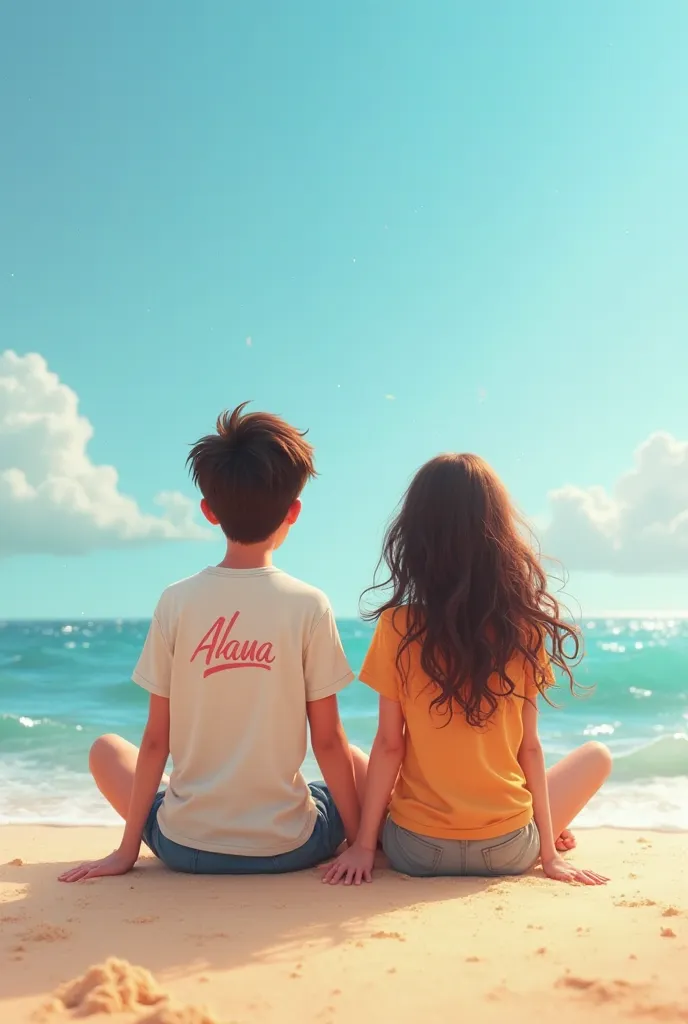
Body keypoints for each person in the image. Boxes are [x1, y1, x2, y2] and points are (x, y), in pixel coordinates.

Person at [60, 403, 366, 881]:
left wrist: (126, 852)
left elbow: (157, 738)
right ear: (294, 511)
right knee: (357, 759)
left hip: (186, 848)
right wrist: (358, 842)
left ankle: (196, 806)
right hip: (288, 848)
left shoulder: (176, 601)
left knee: (105, 749)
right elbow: (326, 740)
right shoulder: (310, 605)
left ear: (208, 511)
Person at [323, 453, 612, 887]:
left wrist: (365, 845)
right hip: (509, 849)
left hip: (416, 850)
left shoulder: (398, 626)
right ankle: (546, 830)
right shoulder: (524, 631)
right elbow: (528, 749)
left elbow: (389, 746)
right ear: (499, 535)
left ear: (417, 536)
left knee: (356, 755)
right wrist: (546, 852)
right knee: (597, 755)